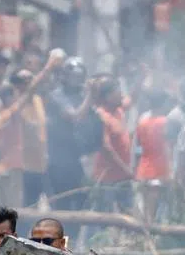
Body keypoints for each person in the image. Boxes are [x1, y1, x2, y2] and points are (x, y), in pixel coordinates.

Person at [0, 57, 59, 208]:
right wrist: (48, 67)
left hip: (42, 163)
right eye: (25, 80)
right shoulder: (14, 108)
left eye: (31, 79)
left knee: (50, 205)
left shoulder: (38, 100)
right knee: (22, 207)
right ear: (16, 86)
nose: (30, 82)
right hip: (23, 167)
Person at [46, 57, 101, 211]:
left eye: (79, 77)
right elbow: (75, 116)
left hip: (79, 158)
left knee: (82, 201)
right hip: (59, 159)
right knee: (61, 203)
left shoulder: (83, 96)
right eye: (73, 76)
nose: (76, 80)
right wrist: (90, 95)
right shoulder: (56, 96)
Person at [93, 76, 134, 215]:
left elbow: (131, 98)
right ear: (108, 96)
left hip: (123, 176)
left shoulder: (118, 110)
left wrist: (142, 78)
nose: (121, 95)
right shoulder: (101, 116)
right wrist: (126, 169)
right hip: (107, 178)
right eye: (118, 93)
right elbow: (107, 148)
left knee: (128, 214)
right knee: (104, 218)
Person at [134, 89, 171, 223]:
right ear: (164, 103)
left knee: (144, 209)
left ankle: (142, 236)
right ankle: (150, 238)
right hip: (160, 169)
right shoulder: (164, 122)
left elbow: (138, 144)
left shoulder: (142, 122)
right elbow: (167, 146)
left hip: (144, 168)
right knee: (153, 212)